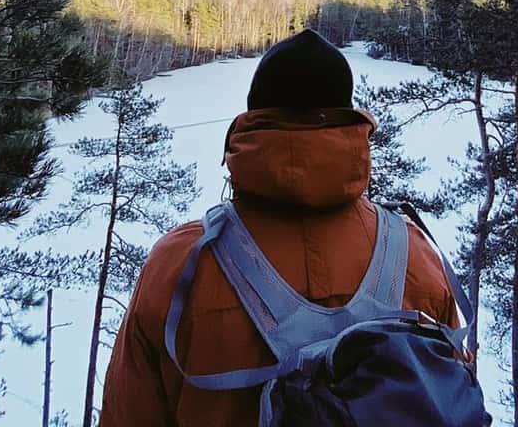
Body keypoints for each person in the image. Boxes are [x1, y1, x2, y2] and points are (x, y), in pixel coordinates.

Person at [98, 29, 467, 427]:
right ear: (350, 120)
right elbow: (454, 397)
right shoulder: (416, 254)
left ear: (252, 120)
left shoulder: (180, 265)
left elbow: (128, 413)